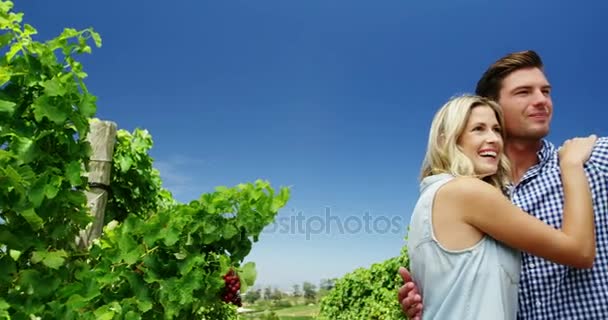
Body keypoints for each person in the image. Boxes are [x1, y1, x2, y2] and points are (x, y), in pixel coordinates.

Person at [398, 50, 608, 320]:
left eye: (545, 91)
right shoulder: (475, 194)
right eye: (523, 92)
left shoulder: (595, 157)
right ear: (493, 105)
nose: (541, 100)